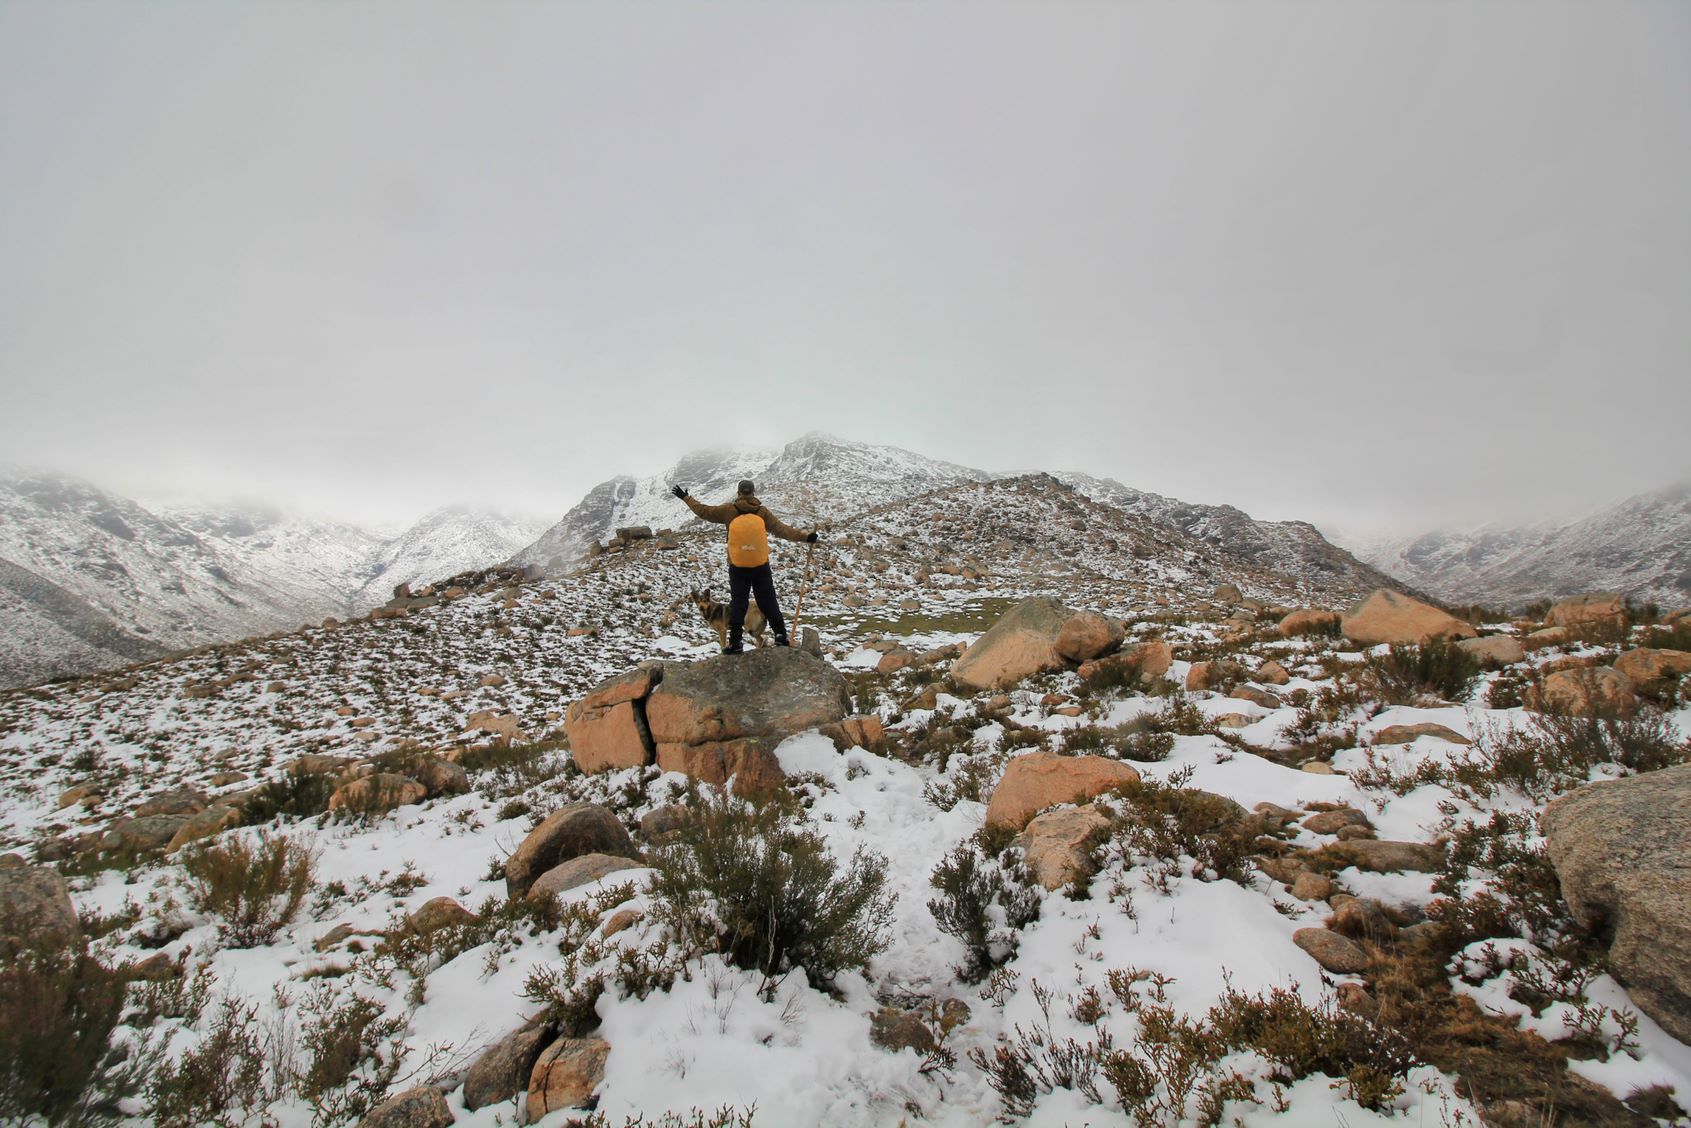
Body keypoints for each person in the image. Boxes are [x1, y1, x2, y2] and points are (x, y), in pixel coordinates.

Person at [671, 478, 818, 654]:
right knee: (767, 600)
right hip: (760, 565)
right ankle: (780, 635)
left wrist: (686, 498)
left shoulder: (729, 510)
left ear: (739, 493)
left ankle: (735, 642)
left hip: (737, 565)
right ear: (753, 493)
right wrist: (806, 537)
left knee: (738, 603)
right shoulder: (762, 512)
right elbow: (782, 530)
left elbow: (704, 511)